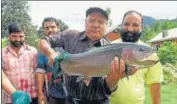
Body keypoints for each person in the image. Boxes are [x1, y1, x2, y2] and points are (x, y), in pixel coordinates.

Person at [38, 7, 136, 104]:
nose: (96, 25)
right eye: (92, 20)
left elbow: (109, 88)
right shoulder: (70, 36)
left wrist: (114, 79)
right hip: (71, 101)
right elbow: (44, 40)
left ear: (106, 25)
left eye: (101, 22)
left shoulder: (110, 49)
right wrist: (51, 54)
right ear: (85, 22)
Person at [110, 10, 163, 104]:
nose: (130, 29)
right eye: (126, 24)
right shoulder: (108, 48)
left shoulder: (149, 53)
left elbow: (155, 83)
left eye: (135, 25)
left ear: (141, 28)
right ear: (121, 25)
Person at [2, 22, 38, 104]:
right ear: (8, 36)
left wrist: (41, 93)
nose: (18, 39)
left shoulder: (33, 51)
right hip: (11, 98)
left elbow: (38, 73)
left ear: (25, 36)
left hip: (32, 97)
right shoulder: (2, 53)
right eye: (14, 36)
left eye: (21, 36)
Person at [36, 17, 67, 104]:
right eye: (47, 28)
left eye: (52, 27)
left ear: (58, 28)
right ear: (44, 30)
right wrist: (40, 93)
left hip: (74, 93)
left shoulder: (68, 44)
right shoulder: (42, 50)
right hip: (54, 95)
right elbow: (40, 72)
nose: (50, 30)